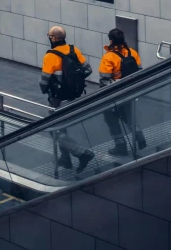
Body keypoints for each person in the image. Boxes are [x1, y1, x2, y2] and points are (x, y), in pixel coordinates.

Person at [39, 26, 94, 173]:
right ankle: (65, 159)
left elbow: (44, 81)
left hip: (58, 99)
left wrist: (47, 88)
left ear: (54, 38)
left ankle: (82, 153)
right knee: (62, 129)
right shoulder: (73, 50)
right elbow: (88, 69)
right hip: (74, 96)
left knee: (53, 129)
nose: (49, 38)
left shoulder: (50, 56)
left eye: (50, 36)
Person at [99, 28, 147, 156]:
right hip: (130, 91)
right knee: (129, 117)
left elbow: (104, 80)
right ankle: (140, 137)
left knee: (111, 120)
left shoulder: (108, 57)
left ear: (110, 41)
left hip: (115, 95)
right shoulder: (133, 53)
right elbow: (139, 71)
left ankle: (120, 146)